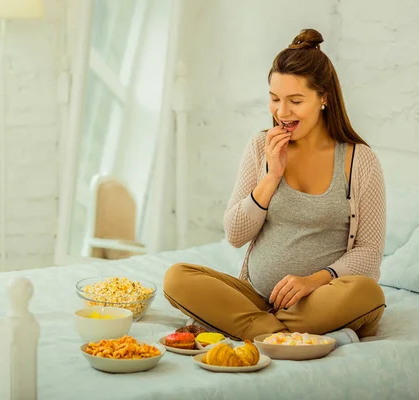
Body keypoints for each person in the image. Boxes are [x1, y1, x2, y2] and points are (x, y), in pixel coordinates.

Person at [163, 28, 387, 345]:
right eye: (274, 99)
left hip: (318, 300)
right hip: (254, 296)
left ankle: (252, 328)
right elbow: (235, 234)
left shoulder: (359, 160)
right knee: (177, 278)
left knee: (368, 293)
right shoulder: (260, 147)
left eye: (295, 101)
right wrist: (270, 177)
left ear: (324, 98)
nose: (282, 112)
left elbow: (369, 253)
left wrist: (313, 281)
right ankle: (280, 333)